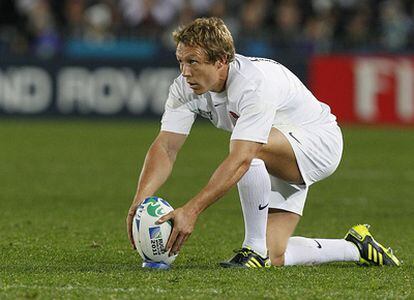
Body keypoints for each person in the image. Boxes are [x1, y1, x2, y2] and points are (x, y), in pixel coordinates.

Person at [126, 17, 400, 267]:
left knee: (247, 150)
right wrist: (140, 200)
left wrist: (191, 210)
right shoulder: (184, 88)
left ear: (221, 60)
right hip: (276, 147)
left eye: (193, 61)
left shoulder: (252, 83)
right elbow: (166, 147)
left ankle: (252, 249)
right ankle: (357, 247)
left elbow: (244, 158)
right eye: (181, 61)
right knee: (277, 254)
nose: (185, 71)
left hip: (319, 143)